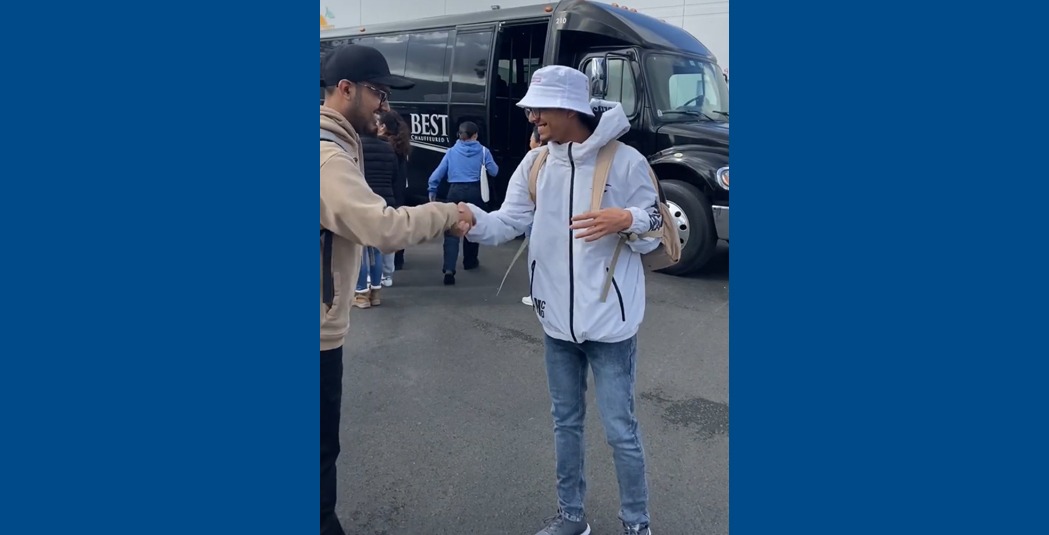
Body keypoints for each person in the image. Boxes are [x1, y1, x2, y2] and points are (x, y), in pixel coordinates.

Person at [456, 65, 662, 535]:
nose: (531, 116)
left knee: (620, 432)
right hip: (555, 324)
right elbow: (508, 222)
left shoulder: (626, 161)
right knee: (564, 424)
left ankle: (637, 525)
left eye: (540, 106)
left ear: (571, 108)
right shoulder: (537, 165)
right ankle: (572, 518)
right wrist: (471, 218)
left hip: (611, 326)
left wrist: (624, 218)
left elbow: (655, 226)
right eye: (531, 107)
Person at [319, 43, 471, 535]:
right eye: (378, 93)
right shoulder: (329, 158)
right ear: (345, 89)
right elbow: (381, 228)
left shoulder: (336, 144)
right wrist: (447, 214)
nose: (383, 105)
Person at [427, 121, 499, 285]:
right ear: (475, 135)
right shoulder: (483, 151)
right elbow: (494, 171)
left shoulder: (451, 152)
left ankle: (449, 269)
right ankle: (470, 261)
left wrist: (432, 191)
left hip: (454, 192)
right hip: (475, 192)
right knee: (472, 225)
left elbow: (436, 175)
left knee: (452, 230)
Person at [354, 124, 400, 308]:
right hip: (383, 201)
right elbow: (395, 177)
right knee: (376, 250)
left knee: (359, 250)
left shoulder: (356, 148)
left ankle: (361, 294)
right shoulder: (389, 149)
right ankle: (376, 292)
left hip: (361, 202)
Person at [377, 110, 412, 285]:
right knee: (392, 233)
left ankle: (376, 276)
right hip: (396, 194)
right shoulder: (400, 145)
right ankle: (391, 270)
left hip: (381, 193)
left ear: (383, 126)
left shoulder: (383, 146)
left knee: (376, 239)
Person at [522, 125, 544, 307]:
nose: (530, 141)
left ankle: (534, 293)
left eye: (532, 137)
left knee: (535, 257)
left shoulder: (533, 160)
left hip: (535, 215)